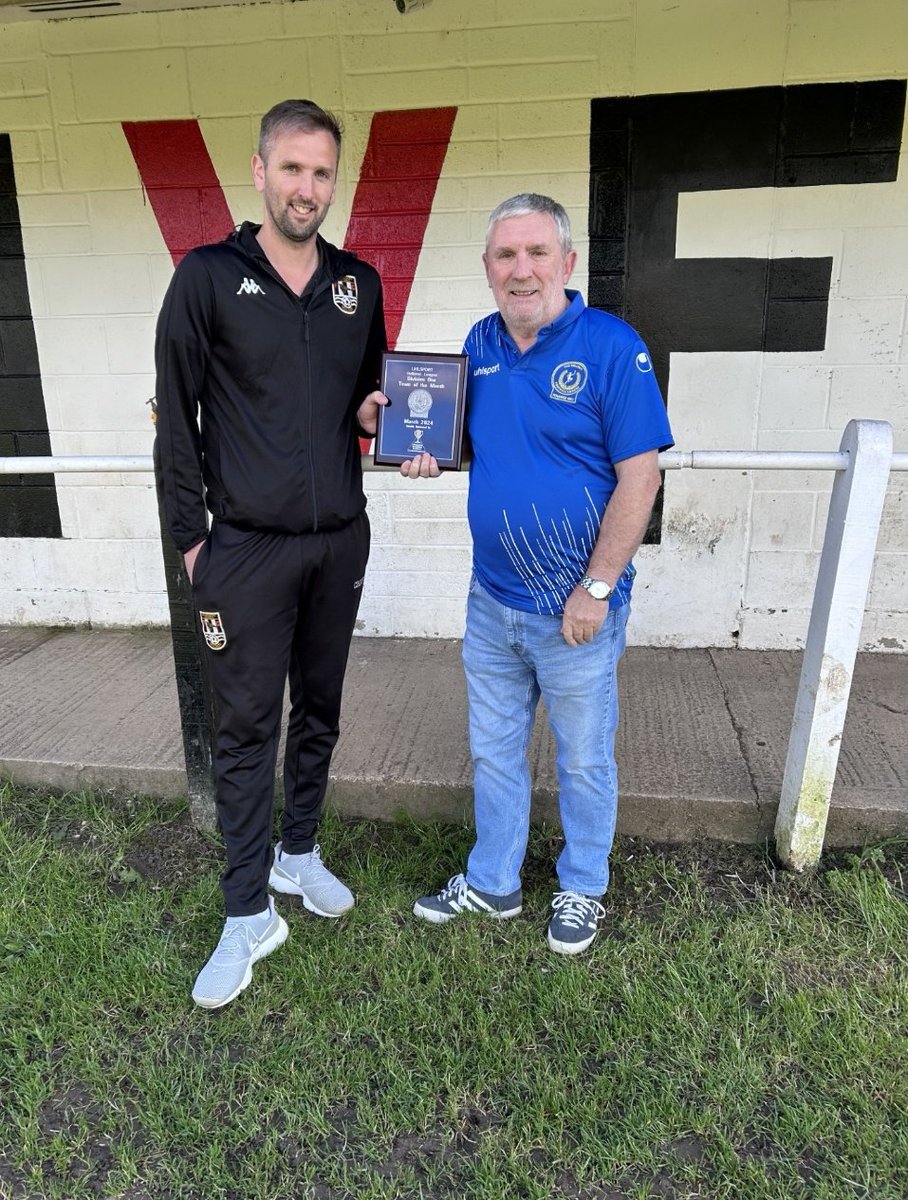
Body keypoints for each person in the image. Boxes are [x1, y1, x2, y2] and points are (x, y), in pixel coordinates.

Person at [360, 193, 673, 956]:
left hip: (574, 605)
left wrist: (596, 589)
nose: (521, 269)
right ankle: (494, 882)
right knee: (495, 749)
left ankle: (583, 887)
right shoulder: (480, 340)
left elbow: (641, 480)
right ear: (488, 268)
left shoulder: (610, 345)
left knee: (584, 755)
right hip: (491, 600)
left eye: (537, 254)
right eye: (506, 255)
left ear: (566, 262)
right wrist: (395, 431)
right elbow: (462, 438)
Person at [154, 99, 387, 1008]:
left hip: (338, 542)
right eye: (291, 169)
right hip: (242, 550)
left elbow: (366, 395)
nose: (307, 188)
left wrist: (385, 419)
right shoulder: (207, 277)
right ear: (259, 173)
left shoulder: (356, 283)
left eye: (322, 172)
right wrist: (192, 544)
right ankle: (247, 910)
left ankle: (299, 854)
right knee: (247, 730)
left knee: (319, 709)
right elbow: (176, 418)